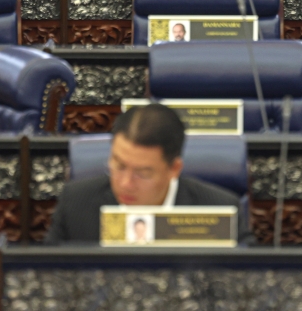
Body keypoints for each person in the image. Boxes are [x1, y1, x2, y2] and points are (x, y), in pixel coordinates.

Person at [45, 103, 252, 244]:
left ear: (174, 169)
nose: (125, 183)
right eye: (118, 166)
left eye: (142, 174)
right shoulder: (76, 203)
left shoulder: (219, 210)